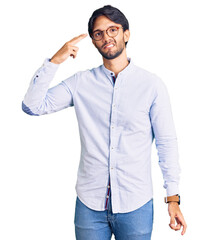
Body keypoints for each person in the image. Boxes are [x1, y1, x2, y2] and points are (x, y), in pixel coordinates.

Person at [22, 5, 187, 240]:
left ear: (126, 34)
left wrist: (173, 198)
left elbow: (166, 143)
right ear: (93, 41)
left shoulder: (151, 85)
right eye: (98, 33)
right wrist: (54, 62)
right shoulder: (81, 83)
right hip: (90, 205)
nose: (106, 37)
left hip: (136, 205)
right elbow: (32, 106)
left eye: (113, 29)